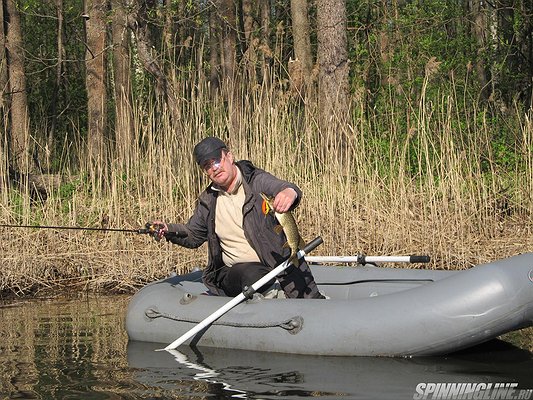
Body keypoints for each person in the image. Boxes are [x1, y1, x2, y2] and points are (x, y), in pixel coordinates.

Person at [148, 136, 324, 299]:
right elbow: (193, 235)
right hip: (239, 274)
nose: (214, 168)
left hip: (279, 265)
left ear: (230, 157)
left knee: (311, 300)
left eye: (217, 160)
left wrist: (289, 193)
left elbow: (285, 187)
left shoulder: (256, 181)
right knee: (252, 274)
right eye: (207, 166)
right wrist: (169, 230)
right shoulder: (208, 200)